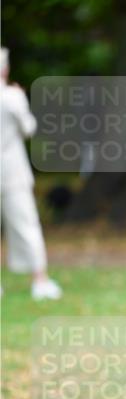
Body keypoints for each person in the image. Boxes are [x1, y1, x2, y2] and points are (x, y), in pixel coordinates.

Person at [0, 47, 62, 300]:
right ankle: (40, 279)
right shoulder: (12, 96)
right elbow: (29, 127)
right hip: (12, 169)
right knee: (27, 224)